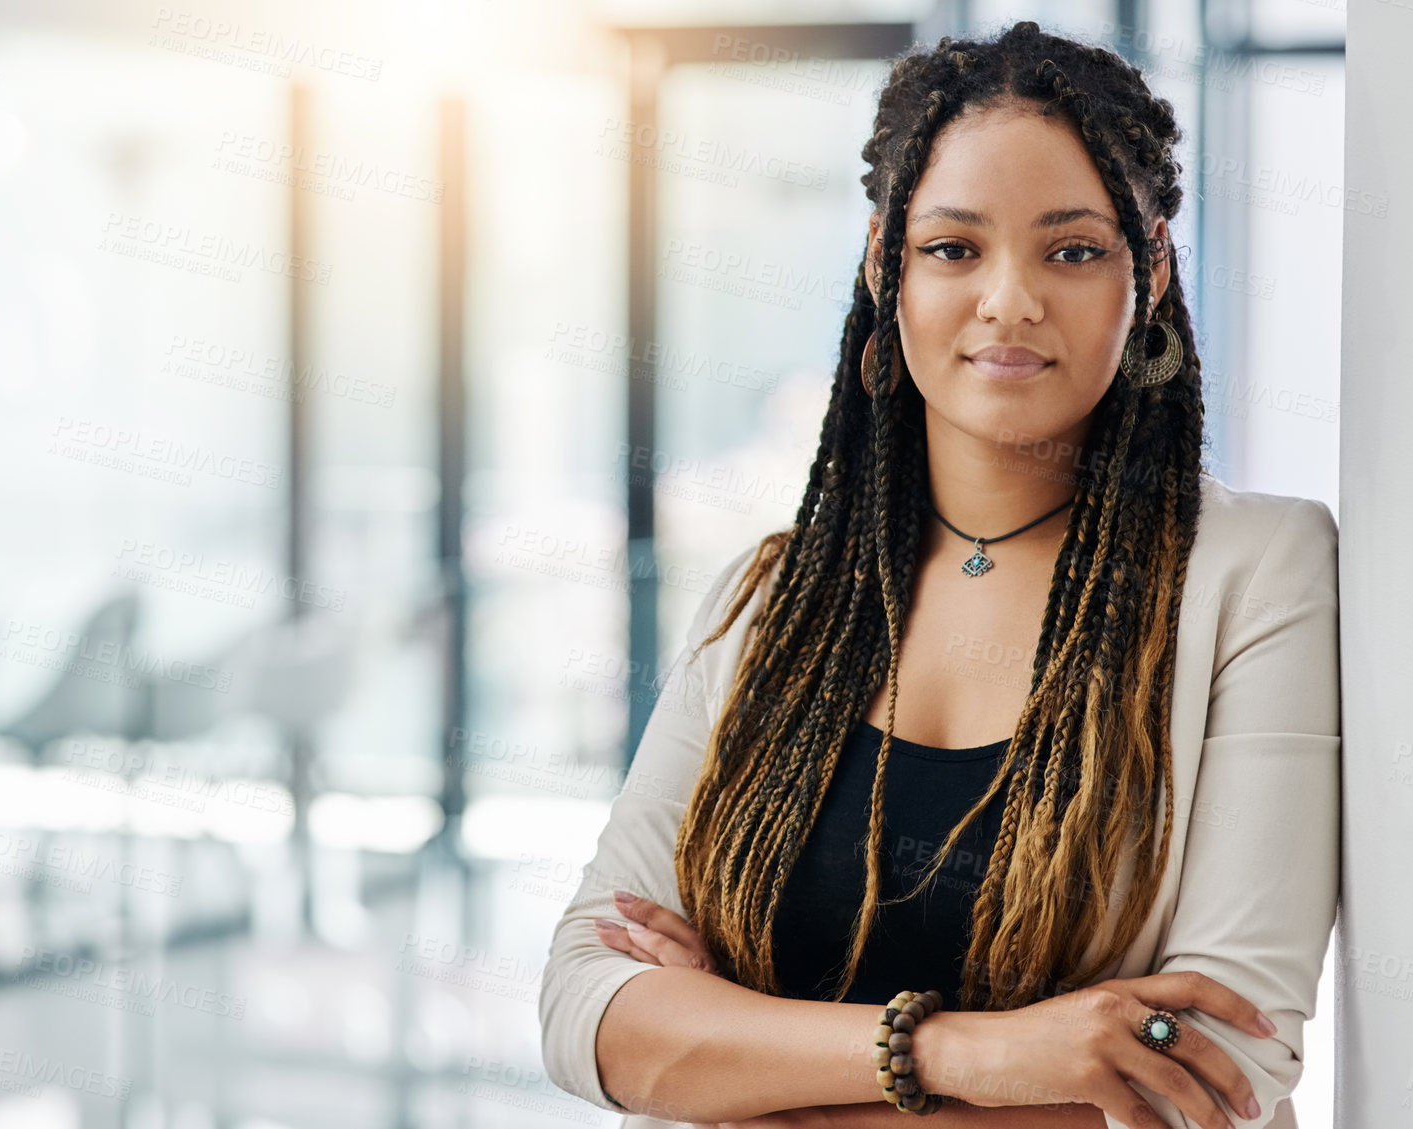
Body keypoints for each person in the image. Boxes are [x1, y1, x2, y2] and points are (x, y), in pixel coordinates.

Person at [539, 20, 1339, 1129]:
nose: (1007, 301)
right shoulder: (767, 601)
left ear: (1148, 268)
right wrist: (977, 1051)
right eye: (954, 248)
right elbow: (588, 1007)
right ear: (884, 264)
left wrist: (738, 1053)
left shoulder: (1259, 574)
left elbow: (1215, 1070)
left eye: (1069, 250)